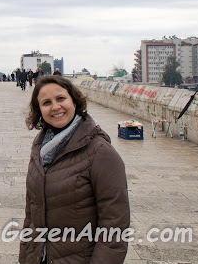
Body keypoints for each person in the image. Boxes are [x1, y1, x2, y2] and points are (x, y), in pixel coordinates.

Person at [19, 75, 129, 264]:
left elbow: (115, 227)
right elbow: (31, 215)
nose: (55, 107)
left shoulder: (100, 152)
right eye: (46, 103)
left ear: (74, 101)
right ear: (39, 110)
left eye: (61, 99)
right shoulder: (40, 149)